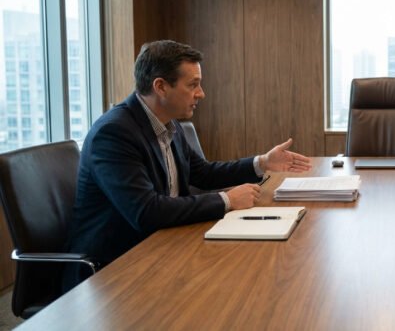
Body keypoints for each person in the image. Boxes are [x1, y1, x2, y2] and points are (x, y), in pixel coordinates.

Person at [63, 40, 312, 290]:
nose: (201, 93)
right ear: (161, 86)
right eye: (193, 84)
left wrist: (262, 163)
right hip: (112, 271)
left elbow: (202, 173)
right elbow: (146, 212)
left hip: (163, 246)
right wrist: (226, 200)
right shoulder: (114, 133)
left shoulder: (168, 123)